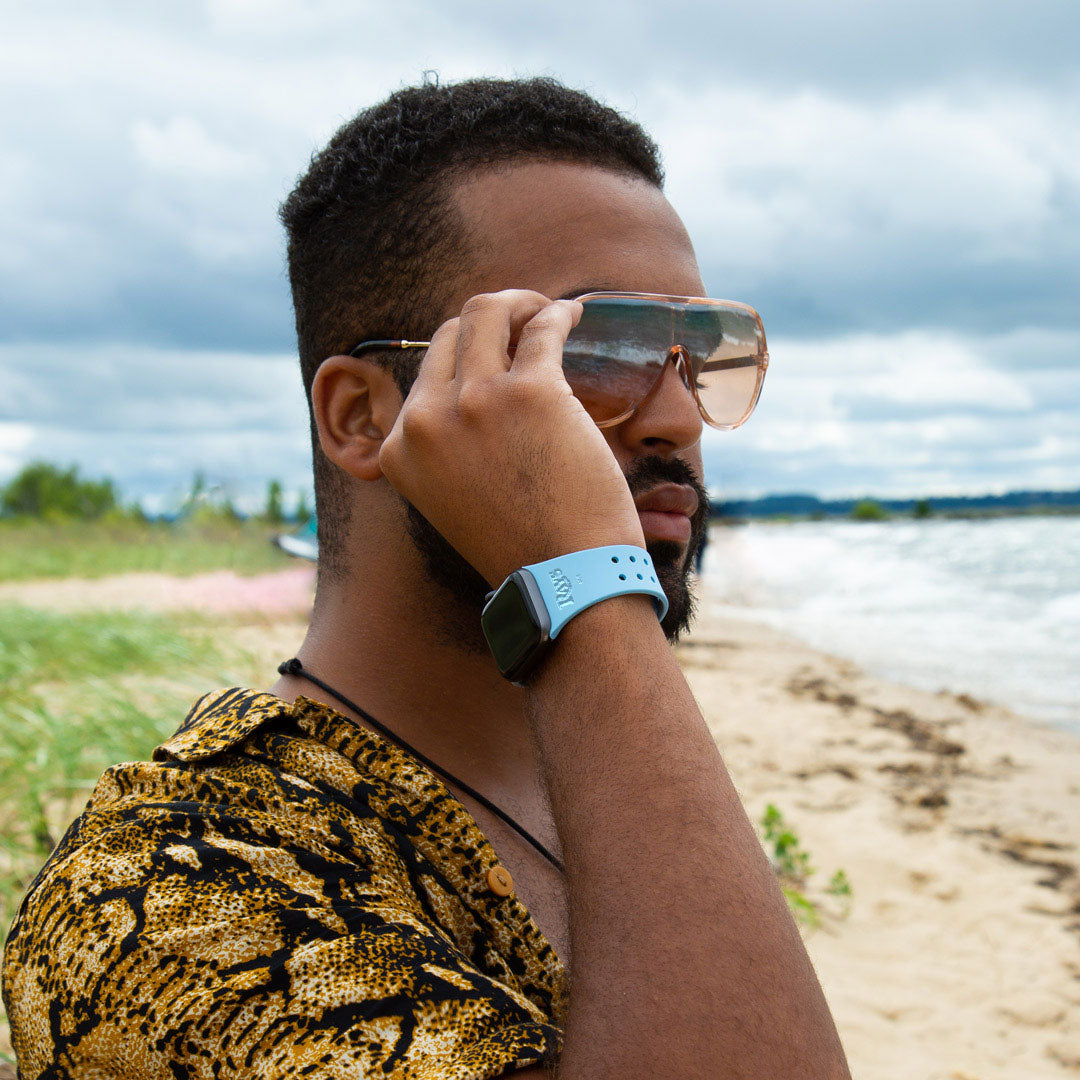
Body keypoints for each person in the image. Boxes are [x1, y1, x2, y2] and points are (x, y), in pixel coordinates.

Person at [2, 77, 851, 1079]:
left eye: (698, 352)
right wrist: (584, 582)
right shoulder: (174, 892)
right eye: (589, 347)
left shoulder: (604, 782)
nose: (677, 417)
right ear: (363, 414)